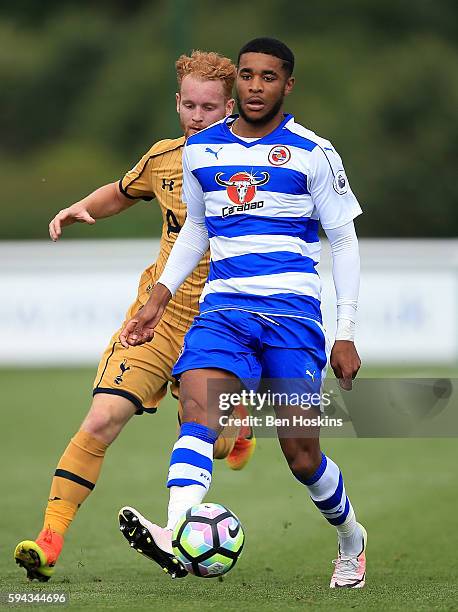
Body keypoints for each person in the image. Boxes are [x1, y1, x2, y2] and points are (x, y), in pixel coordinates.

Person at [120, 37, 368, 589]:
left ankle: (351, 537)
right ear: (238, 84)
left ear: (287, 85)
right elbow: (198, 230)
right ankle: (178, 527)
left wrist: (345, 333)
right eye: (248, 76)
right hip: (225, 310)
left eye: (269, 77)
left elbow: (344, 243)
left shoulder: (314, 152)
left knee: (303, 456)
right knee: (196, 403)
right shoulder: (201, 150)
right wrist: (159, 296)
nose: (257, 86)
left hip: (292, 317)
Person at [14, 50, 256, 583]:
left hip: (221, 321)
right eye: (189, 104)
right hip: (158, 316)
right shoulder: (164, 159)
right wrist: (83, 207)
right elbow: (123, 193)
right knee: (101, 419)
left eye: (210, 107)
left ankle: (235, 428)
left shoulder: (255, 165)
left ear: (230, 106)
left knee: (205, 437)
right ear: (178, 103)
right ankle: (50, 540)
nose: (198, 115)